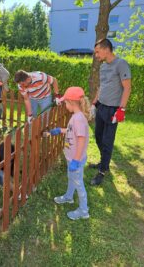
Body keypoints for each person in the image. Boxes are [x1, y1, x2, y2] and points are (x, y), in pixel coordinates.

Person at [90, 39, 131, 185]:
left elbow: (127, 87)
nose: (96, 55)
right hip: (101, 106)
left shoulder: (121, 64)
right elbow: (101, 86)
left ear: (106, 49)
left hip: (113, 109)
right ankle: (103, 162)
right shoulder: (103, 67)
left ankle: (102, 171)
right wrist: (94, 103)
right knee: (98, 137)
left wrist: (122, 109)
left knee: (107, 141)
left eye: (97, 51)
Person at [47, 87, 91, 220]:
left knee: (78, 183)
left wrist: (76, 160)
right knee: (71, 178)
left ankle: (84, 210)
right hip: (71, 158)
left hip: (75, 159)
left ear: (72, 102)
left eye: (65, 103)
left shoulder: (78, 118)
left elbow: (82, 139)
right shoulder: (76, 117)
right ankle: (68, 197)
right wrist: (61, 130)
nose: (65, 106)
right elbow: (73, 131)